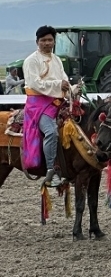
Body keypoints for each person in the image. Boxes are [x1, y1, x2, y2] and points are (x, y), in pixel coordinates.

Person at [22, 25, 71, 187]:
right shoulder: (31, 61)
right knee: (51, 132)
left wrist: (71, 88)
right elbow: (35, 84)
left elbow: (64, 79)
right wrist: (59, 85)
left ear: (54, 41)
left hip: (57, 101)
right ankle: (51, 171)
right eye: (43, 40)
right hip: (38, 105)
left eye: (50, 40)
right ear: (37, 42)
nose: (47, 43)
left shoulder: (57, 60)